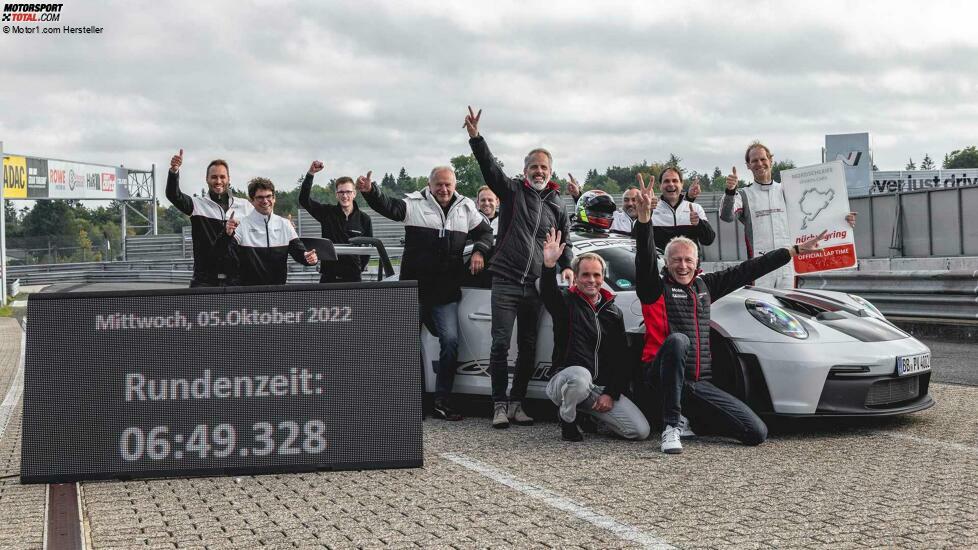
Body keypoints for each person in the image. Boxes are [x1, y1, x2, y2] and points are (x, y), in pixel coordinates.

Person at [633, 175, 825, 454]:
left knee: (755, 433)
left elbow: (748, 269)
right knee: (677, 340)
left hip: (697, 384)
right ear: (667, 262)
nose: (682, 266)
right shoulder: (654, 288)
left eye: (688, 260)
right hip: (659, 377)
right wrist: (644, 219)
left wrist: (792, 251)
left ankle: (692, 420)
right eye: (676, 260)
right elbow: (645, 257)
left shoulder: (704, 286)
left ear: (697, 263)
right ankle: (671, 426)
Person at [465, 106, 574, 429]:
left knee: (527, 347)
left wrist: (566, 266)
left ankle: (517, 403)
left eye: (543, 167)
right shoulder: (511, 191)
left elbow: (565, 240)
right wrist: (476, 138)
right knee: (500, 344)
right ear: (525, 169)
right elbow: (489, 168)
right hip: (507, 280)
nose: (538, 171)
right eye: (533, 166)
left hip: (538, 285)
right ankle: (498, 404)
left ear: (550, 171)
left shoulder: (558, 204)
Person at [358, 166, 493, 421]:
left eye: (448, 185)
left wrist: (479, 251)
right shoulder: (415, 204)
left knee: (451, 343)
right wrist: (371, 191)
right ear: (429, 185)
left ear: (455, 185)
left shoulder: (466, 208)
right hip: (414, 290)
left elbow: (486, 232)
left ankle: (442, 400)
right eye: (438, 185)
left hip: (445, 293)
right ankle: (409, 402)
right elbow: (389, 206)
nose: (443, 190)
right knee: (405, 346)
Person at [539, 227, 650, 442]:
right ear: (576, 278)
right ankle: (568, 418)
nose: (591, 280)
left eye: (597, 275)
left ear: (603, 277)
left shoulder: (613, 312)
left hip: (595, 389)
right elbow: (548, 293)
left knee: (639, 431)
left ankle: (589, 414)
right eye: (585, 275)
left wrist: (611, 393)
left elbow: (621, 360)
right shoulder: (565, 302)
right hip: (565, 380)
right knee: (581, 377)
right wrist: (549, 265)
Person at [719, 142, 856, 288]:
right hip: (758, 268)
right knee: (761, 310)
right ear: (748, 165)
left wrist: (843, 220)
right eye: (754, 161)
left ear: (771, 160)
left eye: (763, 159)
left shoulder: (789, 190)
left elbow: (816, 213)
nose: (759, 163)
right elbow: (726, 216)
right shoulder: (744, 194)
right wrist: (730, 191)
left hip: (789, 264)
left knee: (788, 308)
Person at [165, 149, 252, 287]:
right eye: (214, 177)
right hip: (204, 281)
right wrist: (174, 171)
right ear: (207, 179)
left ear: (229, 179)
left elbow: (260, 226)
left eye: (222, 177)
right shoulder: (197, 205)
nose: (218, 181)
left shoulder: (245, 206)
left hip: (235, 280)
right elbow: (173, 195)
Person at [225, 178, 318, 286]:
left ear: (274, 198)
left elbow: (300, 253)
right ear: (251, 201)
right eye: (260, 197)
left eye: (268, 196)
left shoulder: (285, 224)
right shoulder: (242, 226)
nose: (265, 201)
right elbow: (226, 256)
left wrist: (308, 257)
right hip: (249, 295)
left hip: (277, 293)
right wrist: (227, 235)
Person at [298, 161, 373, 283]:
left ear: (354, 194)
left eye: (348, 192)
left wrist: (359, 268)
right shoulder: (326, 213)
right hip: (329, 276)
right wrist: (311, 174)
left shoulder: (364, 219)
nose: (344, 196)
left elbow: (368, 248)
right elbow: (304, 200)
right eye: (341, 192)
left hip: (353, 277)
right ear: (336, 195)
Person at [639, 168, 715, 251]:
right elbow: (637, 239)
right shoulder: (650, 210)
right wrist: (646, 213)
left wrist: (699, 223)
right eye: (666, 181)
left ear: (682, 184)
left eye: (675, 181)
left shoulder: (695, 208)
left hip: (687, 263)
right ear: (660, 186)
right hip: (660, 263)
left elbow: (708, 240)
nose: (671, 184)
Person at [567, 176, 642, 236]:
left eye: (634, 200)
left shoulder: (651, 220)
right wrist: (577, 195)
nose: (630, 203)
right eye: (626, 200)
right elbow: (587, 210)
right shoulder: (613, 217)